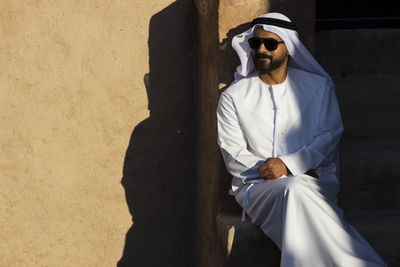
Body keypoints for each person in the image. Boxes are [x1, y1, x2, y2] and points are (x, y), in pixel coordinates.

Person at [217, 12, 387, 266]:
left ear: (289, 48)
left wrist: (289, 165)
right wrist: (273, 171)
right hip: (256, 187)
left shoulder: (318, 87)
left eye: (271, 44)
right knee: (294, 189)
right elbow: (233, 153)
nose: (261, 49)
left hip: (316, 180)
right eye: (255, 43)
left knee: (297, 189)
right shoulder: (234, 96)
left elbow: (328, 136)